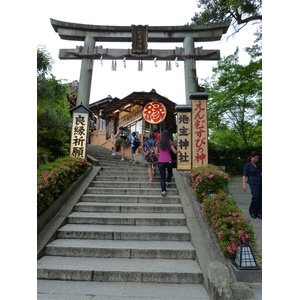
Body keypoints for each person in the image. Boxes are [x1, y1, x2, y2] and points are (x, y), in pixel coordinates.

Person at [155, 130, 180, 197]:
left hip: (161, 161)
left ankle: (163, 191)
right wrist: (179, 151)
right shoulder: (170, 143)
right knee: (169, 172)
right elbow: (175, 152)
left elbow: (155, 153)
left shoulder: (158, 143)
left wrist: (159, 158)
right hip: (168, 161)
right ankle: (168, 181)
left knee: (162, 177)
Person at [243, 151, 262, 219]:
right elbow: (244, 175)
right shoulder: (247, 165)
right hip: (252, 182)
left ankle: (259, 213)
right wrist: (244, 185)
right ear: (251, 158)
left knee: (261, 197)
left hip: (260, 182)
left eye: (257, 158)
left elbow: (260, 174)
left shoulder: (257, 166)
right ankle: (252, 211)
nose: (256, 159)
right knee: (256, 196)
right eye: (254, 158)